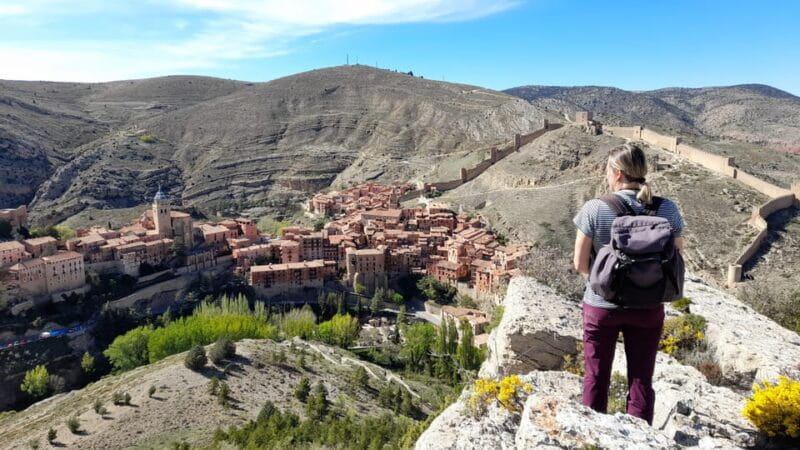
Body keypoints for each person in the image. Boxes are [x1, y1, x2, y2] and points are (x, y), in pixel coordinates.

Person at [572, 142, 685, 425]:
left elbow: (580, 264)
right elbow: (677, 256)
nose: (606, 176)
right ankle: (640, 438)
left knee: (596, 376)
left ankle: (594, 436)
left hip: (601, 307)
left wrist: (604, 284)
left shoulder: (596, 209)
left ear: (618, 173)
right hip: (648, 307)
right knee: (641, 379)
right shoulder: (666, 209)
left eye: (608, 171)